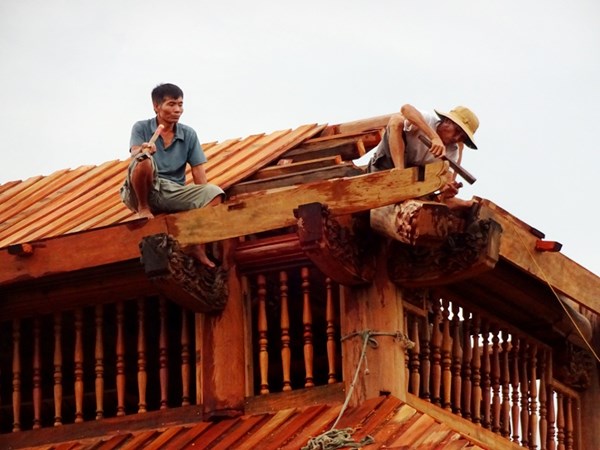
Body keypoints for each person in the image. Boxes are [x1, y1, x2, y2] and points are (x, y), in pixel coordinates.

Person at [120, 83, 225, 267]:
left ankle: (196, 245)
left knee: (214, 193)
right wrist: (144, 150)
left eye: (180, 104)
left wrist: (202, 201)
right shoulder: (141, 127)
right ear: (156, 106)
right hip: (142, 189)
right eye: (171, 104)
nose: (177, 109)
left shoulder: (189, 134)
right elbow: (135, 154)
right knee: (143, 159)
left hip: (170, 192)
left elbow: (199, 174)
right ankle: (144, 209)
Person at [366, 104, 479, 208]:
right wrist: (434, 137)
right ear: (447, 122)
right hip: (385, 167)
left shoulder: (452, 151)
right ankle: (400, 172)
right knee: (396, 121)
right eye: (457, 131)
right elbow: (406, 108)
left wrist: (446, 190)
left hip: (412, 184)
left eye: (462, 137)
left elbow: (446, 181)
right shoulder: (427, 120)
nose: (456, 138)